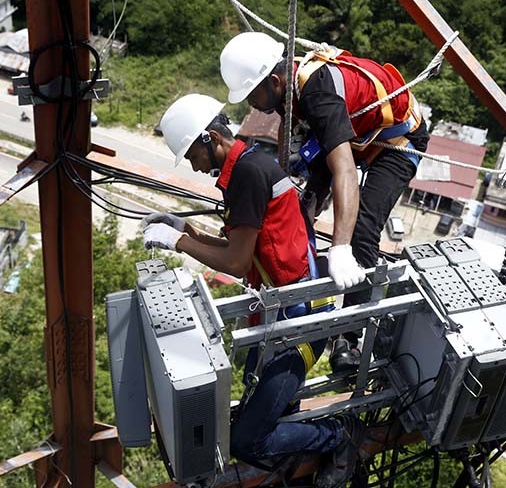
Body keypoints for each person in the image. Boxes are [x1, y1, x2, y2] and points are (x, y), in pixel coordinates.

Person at [142, 93, 365, 488]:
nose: (193, 165)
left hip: (302, 318)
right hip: (283, 312)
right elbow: (239, 248)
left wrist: (178, 245)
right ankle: (299, 448)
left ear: (211, 138)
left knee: (247, 440)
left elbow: (236, 264)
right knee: (252, 408)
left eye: (192, 154)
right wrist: (186, 231)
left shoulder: (246, 175)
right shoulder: (246, 167)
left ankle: (338, 435)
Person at [219, 32, 429, 372]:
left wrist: (341, 246)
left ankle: (348, 339)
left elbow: (344, 169)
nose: (250, 105)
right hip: (358, 132)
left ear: (273, 81)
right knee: (301, 212)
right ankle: (304, 288)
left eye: (251, 95)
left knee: (362, 229)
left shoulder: (316, 92)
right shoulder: (287, 96)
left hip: (398, 139)